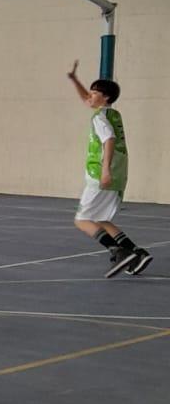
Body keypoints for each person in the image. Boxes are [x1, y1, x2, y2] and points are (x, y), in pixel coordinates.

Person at [66, 61, 151, 276]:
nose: (90, 96)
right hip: (119, 174)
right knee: (102, 218)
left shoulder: (100, 118)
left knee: (82, 220)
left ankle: (118, 251)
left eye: (95, 93)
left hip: (101, 174)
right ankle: (137, 252)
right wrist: (75, 81)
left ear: (105, 98)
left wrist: (105, 170)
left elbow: (109, 139)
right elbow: (87, 100)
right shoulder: (113, 114)